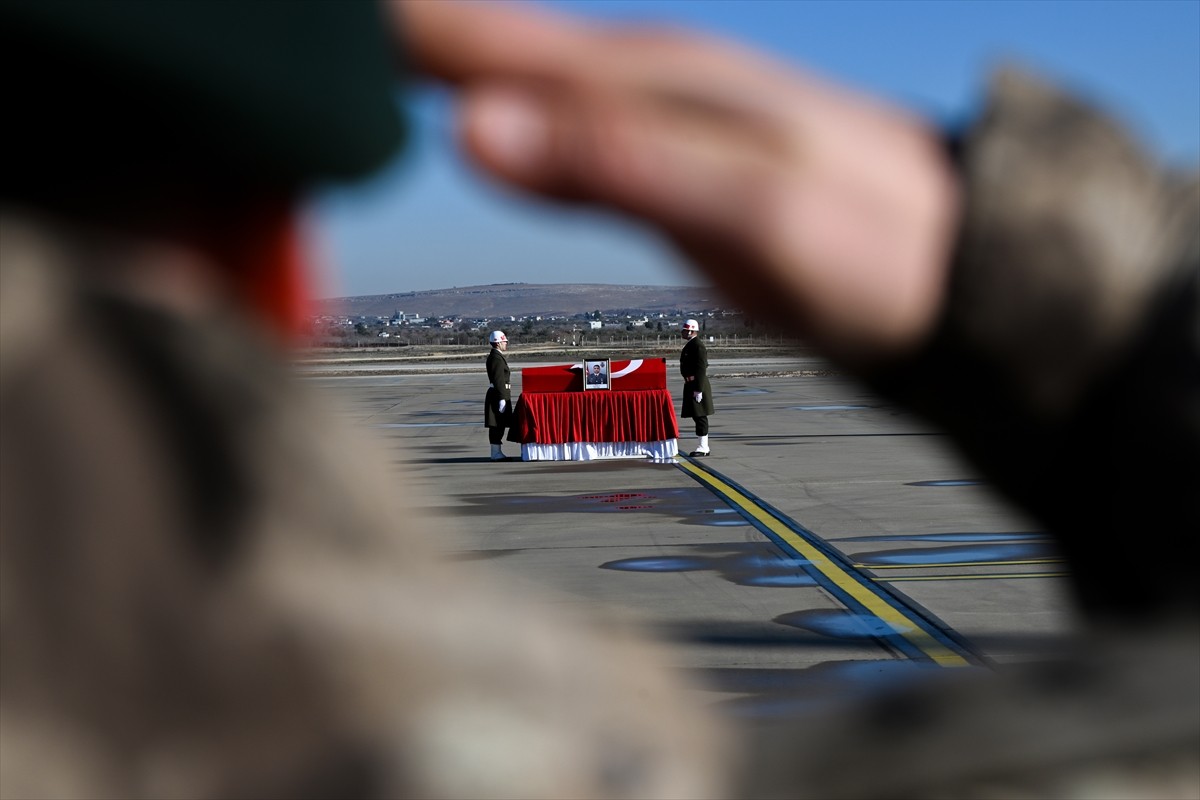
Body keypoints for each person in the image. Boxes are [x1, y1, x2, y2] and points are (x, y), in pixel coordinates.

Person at [679, 319, 714, 457]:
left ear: (691, 331)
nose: (682, 332)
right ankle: (703, 446)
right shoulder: (691, 345)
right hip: (691, 384)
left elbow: (701, 368)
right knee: (696, 415)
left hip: (696, 384)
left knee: (700, 416)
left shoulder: (697, 346)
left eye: (684, 330)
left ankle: (703, 447)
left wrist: (698, 389)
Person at [484, 330, 513, 460]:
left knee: (500, 424)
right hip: (498, 395)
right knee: (497, 425)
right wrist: (502, 398)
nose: (506, 344)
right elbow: (498, 379)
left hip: (500, 393)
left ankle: (497, 452)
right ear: (498, 343)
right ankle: (495, 453)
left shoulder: (497, 356)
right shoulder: (496, 358)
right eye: (504, 342)